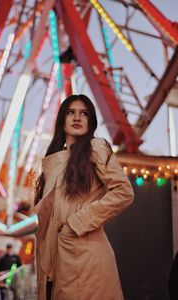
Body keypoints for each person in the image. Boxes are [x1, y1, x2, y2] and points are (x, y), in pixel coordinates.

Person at [33, 94, 134, 300]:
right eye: (71, 112)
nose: (77, 117)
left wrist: (76, 224)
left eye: (84, 113)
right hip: (56, 258)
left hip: (84, 254)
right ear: (62, 120)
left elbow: (124, 192)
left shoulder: (95, 147)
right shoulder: (54, 164)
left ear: (91, 121)